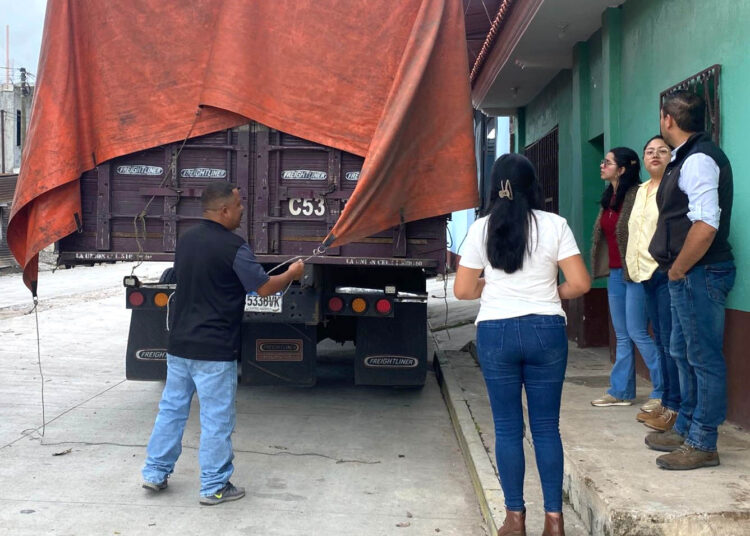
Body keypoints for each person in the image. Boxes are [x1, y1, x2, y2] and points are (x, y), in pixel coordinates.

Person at [141, 181, 305, 504]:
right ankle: (214, 486)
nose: (242, 211)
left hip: (180, 346)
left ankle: (155, 472)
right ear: (224, 210)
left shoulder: (185, 240)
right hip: (214, 350)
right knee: (216, 419)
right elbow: (263, 288)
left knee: (171, 411)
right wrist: (291, 273)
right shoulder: (235, 247)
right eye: (239, 205)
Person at [455, 153, 590, 536]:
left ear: (493, 188)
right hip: (546, 331)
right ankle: (555, 522)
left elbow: (463, 289)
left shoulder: (481, 229)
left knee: (507, 428)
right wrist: (549, 293)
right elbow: (581, 284)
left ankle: (514, 519)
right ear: (533, 186)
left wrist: (491, 286)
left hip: (496, 333)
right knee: (546, 428)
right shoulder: (555, 224)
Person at [645, 90, 735, 470]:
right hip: (687, 273)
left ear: (667, 119)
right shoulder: (685, 158)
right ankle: (685, 426)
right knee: (682, 351)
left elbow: (706, 225)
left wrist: (678, 269)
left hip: (699, 272)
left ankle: (703, 442)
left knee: (702, 357)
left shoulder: (698, 160)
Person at [590, 147, 663, 409]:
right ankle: (620, 391)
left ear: (621, 169)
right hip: (616, 272)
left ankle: (664, 391)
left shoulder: (637, 195)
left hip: (636, 271)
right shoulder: (609, 197)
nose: (602, 165)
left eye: (607, 162)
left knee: (637, 331)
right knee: (622, 334)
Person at [627, 135, 681, 433]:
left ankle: (674, 407)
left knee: (671, 343)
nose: (655, 155)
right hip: (644, 274)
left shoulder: (674, 186)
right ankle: (665, 400)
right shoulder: (640, 191)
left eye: (662, 150)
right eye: (649, 151)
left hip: (664, 271)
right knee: (660, 340)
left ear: (671, 156)